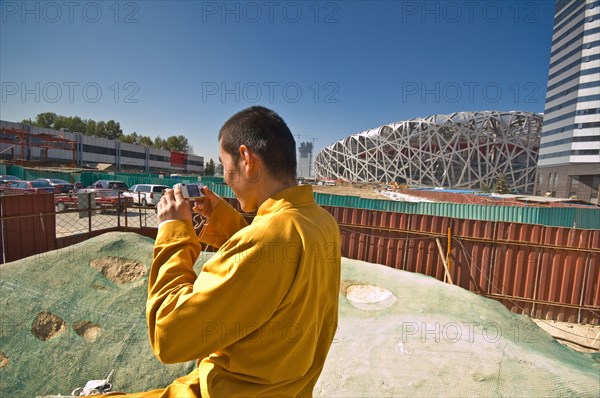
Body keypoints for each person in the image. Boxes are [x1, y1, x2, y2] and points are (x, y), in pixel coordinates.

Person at [105, 106, 341, 397]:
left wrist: (173, 230)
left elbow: (168, 334)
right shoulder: (320, 221)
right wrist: (225, 220)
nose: (225, 177)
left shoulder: (266, 238)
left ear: (246, 159)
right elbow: (271, 270)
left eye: (224, 164)